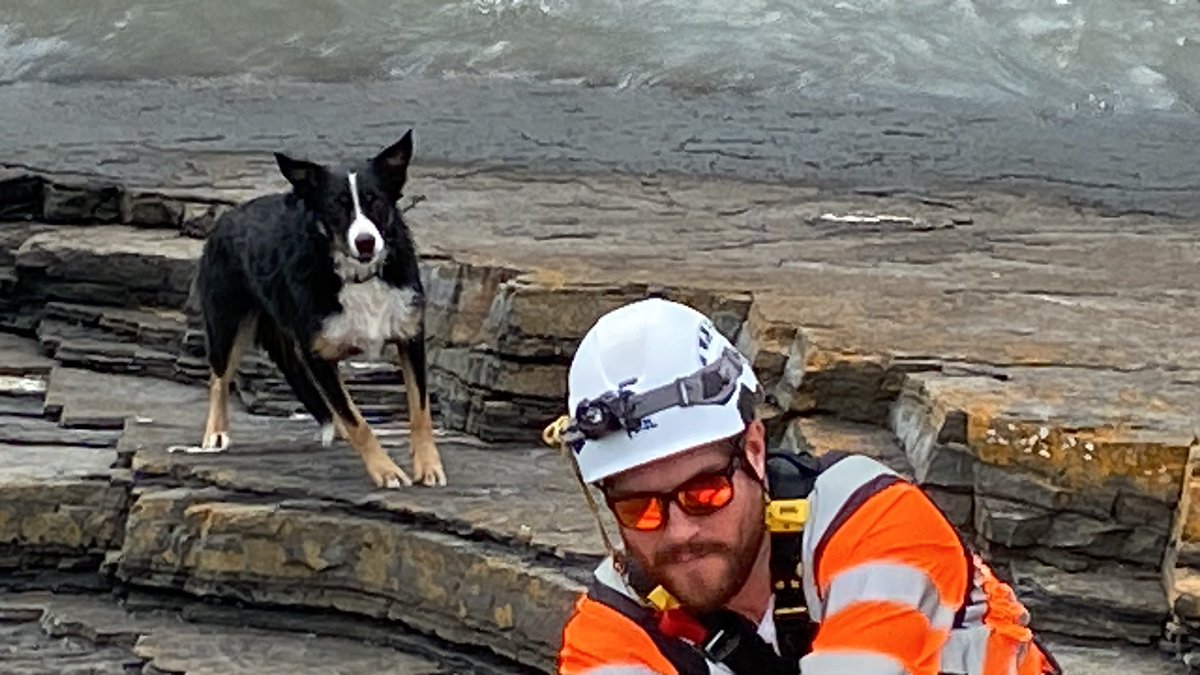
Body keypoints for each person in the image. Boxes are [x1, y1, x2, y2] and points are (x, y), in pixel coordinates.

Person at [543, 297, 1060, 675]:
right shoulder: (613, 625)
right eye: (640, 509)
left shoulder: (876, 527)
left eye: (703, 493)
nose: (678, 532)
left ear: (753, 451)